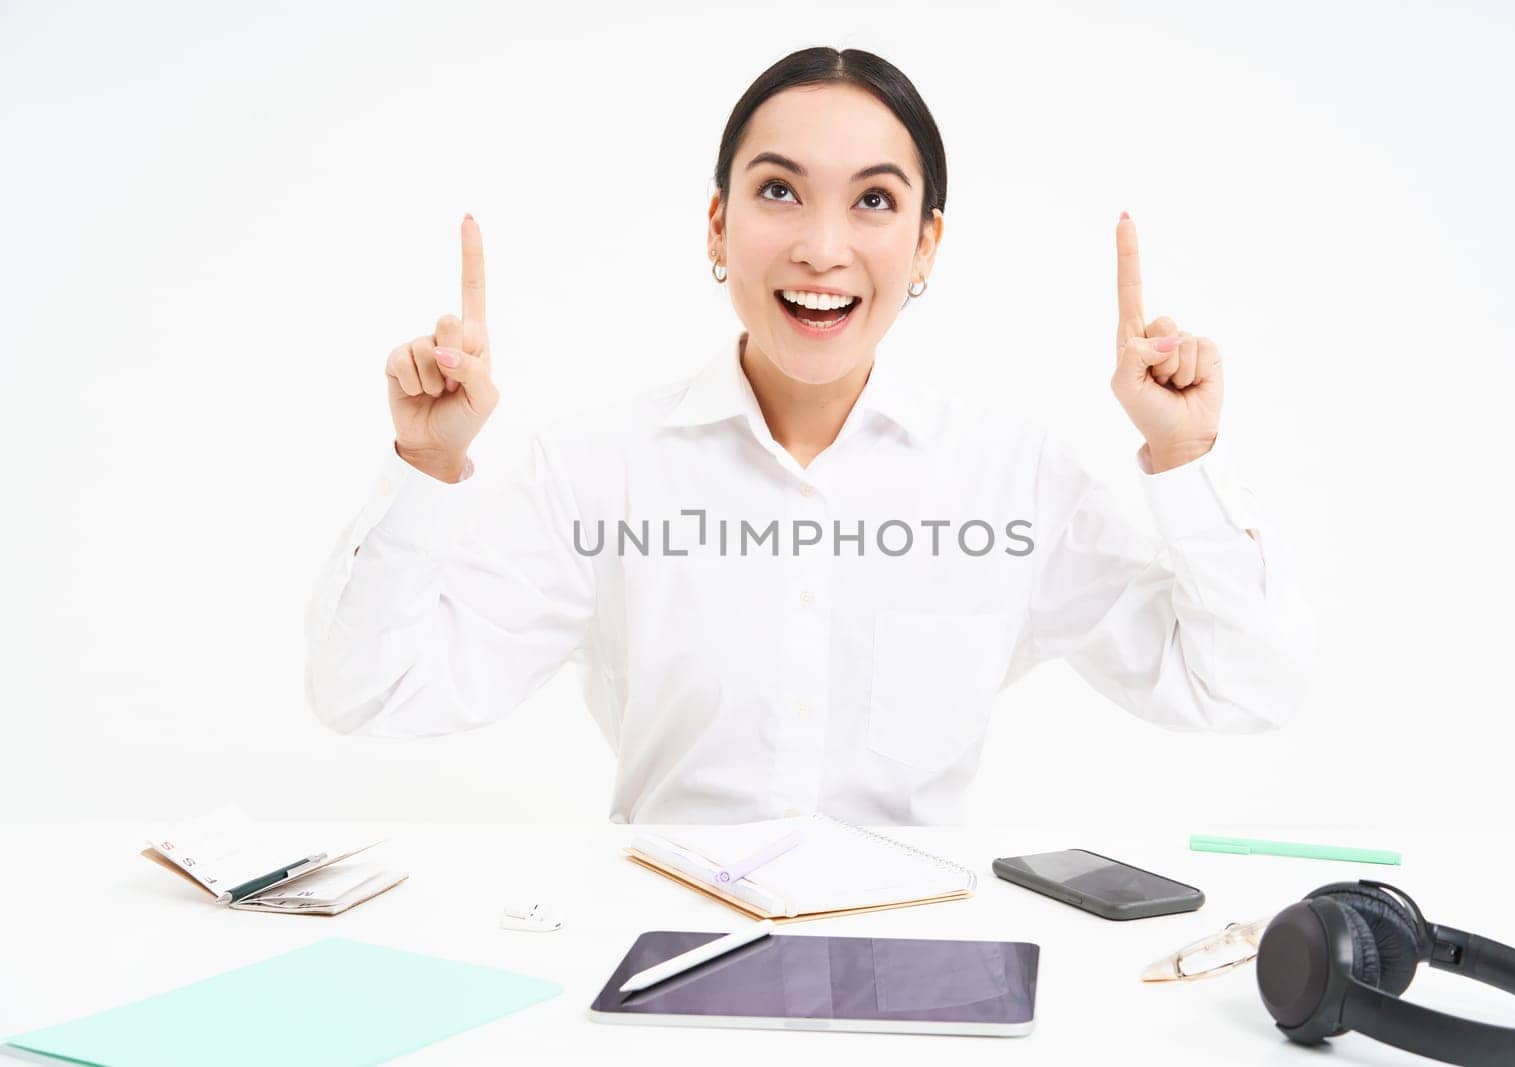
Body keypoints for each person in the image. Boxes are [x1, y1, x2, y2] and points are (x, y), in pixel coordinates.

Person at [305, 46, 1313, 825]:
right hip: (662, 950)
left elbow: (1239, 687)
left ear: (924, 244)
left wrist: (1184, 459)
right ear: (717, 225)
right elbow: (371, 693)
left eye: (874, 201)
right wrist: (429, 467)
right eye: (778, 191)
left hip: (916, 959)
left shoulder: (1011, 478)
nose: (822, 248)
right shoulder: (596, 469)